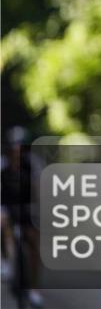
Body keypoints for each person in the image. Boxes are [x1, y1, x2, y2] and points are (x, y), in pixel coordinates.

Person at [0, 126, 44, 308]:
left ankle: (34, 289)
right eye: (13, 147)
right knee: (3, 225)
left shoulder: (34, 164)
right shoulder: (2, 165)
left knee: (34, 242)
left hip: (28, 208)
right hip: (7, 206)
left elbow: (40, 190)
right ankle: (6, 259)